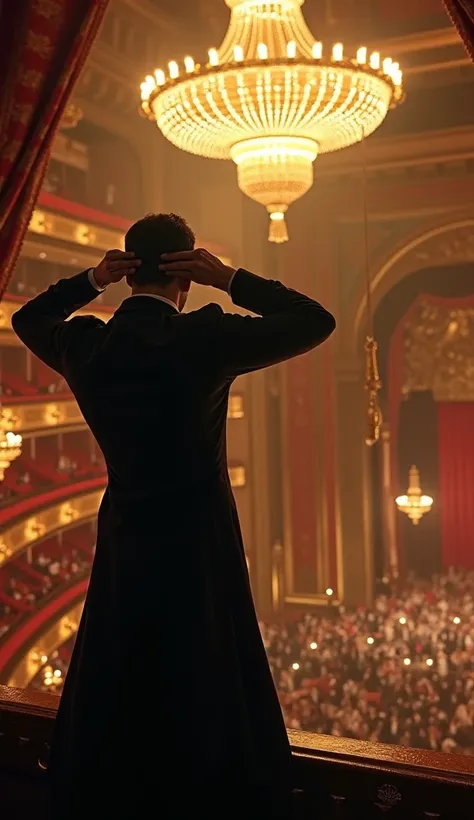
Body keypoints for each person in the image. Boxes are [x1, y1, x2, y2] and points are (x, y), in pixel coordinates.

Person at [12, 212, 335, 818]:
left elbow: (27, 318)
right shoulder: (204, 336)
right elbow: (316, 320)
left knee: (124, 658)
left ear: (128, 272)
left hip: (127, 532)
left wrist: (91, 279)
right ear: (186, 278)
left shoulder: (87, 342)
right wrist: (232, 278)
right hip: (198, 534)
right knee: (203, 660)